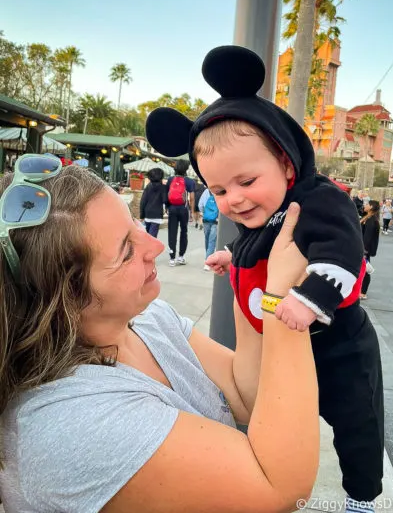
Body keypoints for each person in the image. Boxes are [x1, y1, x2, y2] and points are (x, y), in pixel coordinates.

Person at [0, 155, 319, 513]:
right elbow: (280, 489)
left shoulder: (146, 318)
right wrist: (288, 302)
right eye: (126, 252)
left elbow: (246, 392)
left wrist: (250, 273)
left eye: (135, 224)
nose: (156, 247)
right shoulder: (71, 422)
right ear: (66, 299)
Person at [146, 45, 384, 512]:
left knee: (359, 421)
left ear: (287, 164)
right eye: (218, 190)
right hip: (286, 345)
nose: (233, 199)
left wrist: (310, 297)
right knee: (284, 421)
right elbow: (256, 246)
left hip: (340, 345)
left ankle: (362, 498)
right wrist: (230, 259)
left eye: (245, 182)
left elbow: (343, 250)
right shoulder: (263, 211)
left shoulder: (317, 201)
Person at [166, 159, 195, 266]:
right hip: (183, 209)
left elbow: (167, 194)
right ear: (186, 169)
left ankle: (172, 258)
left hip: (172, 208)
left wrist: (167, 208)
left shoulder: (170, 179)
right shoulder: (190, 181)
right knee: (184, 232)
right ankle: (181, 257)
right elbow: (191, 198)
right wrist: (191, 212)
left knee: (172, 232)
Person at [360, 200, 380, 300]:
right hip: (363, 248)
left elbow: (367, 237)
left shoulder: (371, 220)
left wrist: (363, 250)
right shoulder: (368, 217)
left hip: (365, 249)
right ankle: (361, 290)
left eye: (367, 204)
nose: (365, 205)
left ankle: (363, 292)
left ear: (371, 207)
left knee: (365, 269)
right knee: (362, 269)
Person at [139, 167, 167, 238]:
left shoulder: (148, 187)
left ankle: (147, 248)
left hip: (148, 214)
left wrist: (142, 215)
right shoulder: (163, 187)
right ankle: (150, 248)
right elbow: (165, 200)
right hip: (157, 215)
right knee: (152, 236)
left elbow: (143, 201)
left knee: (147, 234)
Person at [198, 187, 219, 271]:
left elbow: (200, 205)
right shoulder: (219, 191)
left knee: (207, 239)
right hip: (216, 220)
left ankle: (208, 259)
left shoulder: (206, 191)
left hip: (206, 219)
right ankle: (208, 260)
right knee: (212, 240)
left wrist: (205, 213)